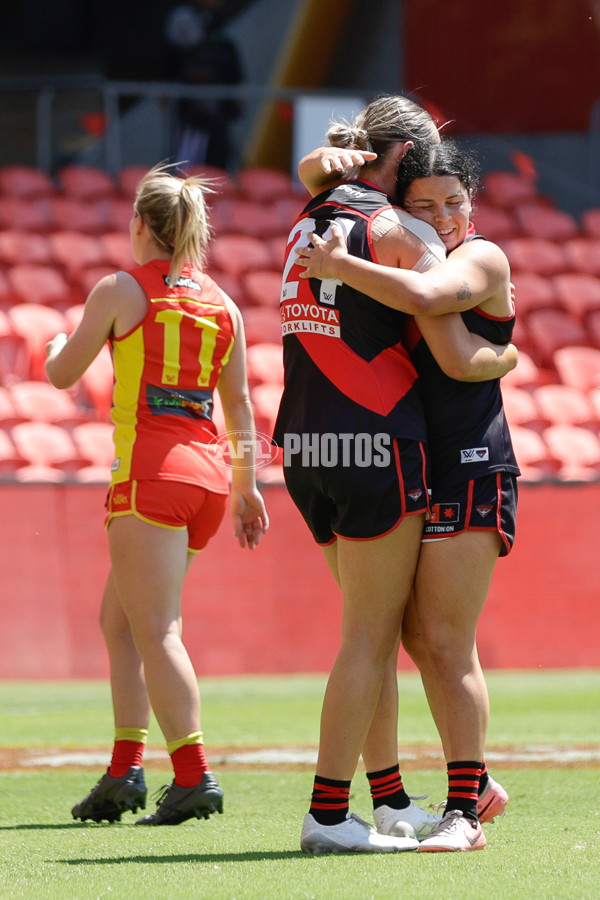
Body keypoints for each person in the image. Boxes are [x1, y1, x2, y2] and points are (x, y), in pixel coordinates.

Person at [272, 95, 516, 855]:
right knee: (391, 634)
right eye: (429, 201)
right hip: (403, 453)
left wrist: (505, 355)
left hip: (468, 457)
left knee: (438, 641)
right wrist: (322, 165)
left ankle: (463, 808)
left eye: (456, 202)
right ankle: (411, 799)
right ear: (405, 186)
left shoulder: (475, 253)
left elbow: (451, 348)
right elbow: (328, 182)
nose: (443, 214)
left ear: (472, 204)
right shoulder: (397, 235)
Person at [45, 164, 269, 826]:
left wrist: (61, 340)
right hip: (204, 482)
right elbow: (242, 404)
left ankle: (193, 776)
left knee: (157, 629)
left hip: (149, 476)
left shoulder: (120, 289)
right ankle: (124, 773)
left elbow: (61, 374)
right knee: (122, 624)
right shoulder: (222, 303)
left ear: (140, 224)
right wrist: (247, 488)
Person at [163, 0, 243, 169]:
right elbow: (173, 61)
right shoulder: (185, 19)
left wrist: (233, 96)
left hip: (218, 114)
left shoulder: (221, 36)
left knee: (218, 165)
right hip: (192, 113)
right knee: (187, 166)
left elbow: (232, 69)